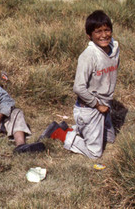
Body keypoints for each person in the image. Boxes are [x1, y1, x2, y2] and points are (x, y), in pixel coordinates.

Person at [40, 10, 120, 159]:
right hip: (89, 108)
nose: (104, 35)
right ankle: (60, 134)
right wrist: (97, 105)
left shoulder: (114, 48)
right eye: (98, 32)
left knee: (110, 140)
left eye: (107, 30)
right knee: (95, 154)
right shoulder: (88, 56)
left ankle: (75, 129)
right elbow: (78, 87)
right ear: (89, 36)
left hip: (105, 104)